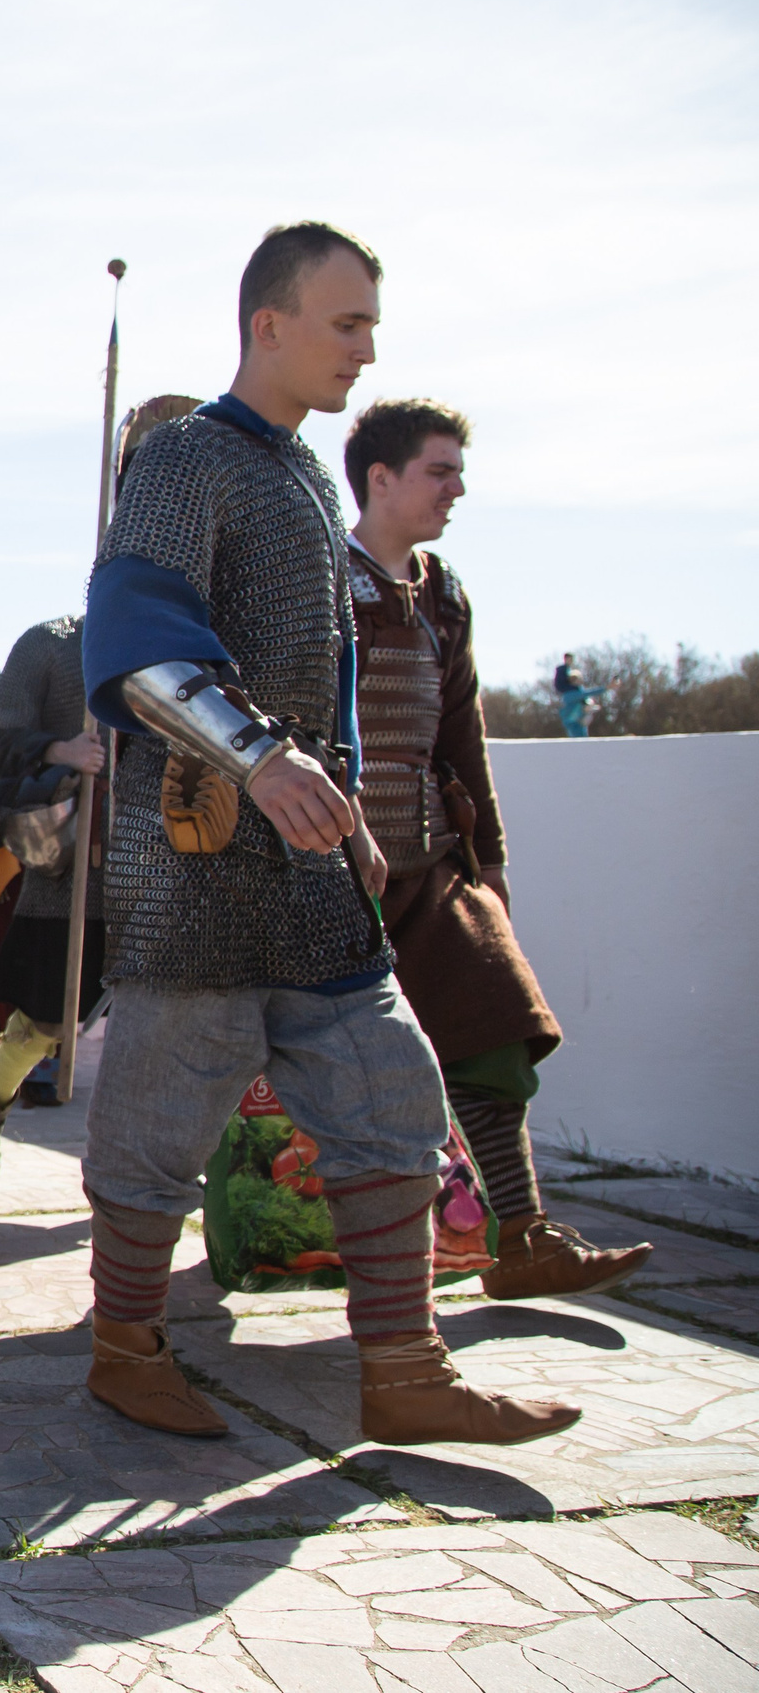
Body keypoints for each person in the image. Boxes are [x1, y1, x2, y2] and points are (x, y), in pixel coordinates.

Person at [78, 222, 577, 1448]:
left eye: (370, 326)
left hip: (311, 866)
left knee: (393, 1095)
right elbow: (134, 641)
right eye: (346, 323)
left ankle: (405, 1371)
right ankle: (124, 1347)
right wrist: (257, 759)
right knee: (157, 1127)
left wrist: (342, 806)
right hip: (198, 864)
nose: (365, 349)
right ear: (270, 324)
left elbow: (327, 677)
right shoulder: (184, 458)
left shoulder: (304, 475)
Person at [343, 398, 649, 1298]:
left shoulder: (444, 594)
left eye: (458, 472)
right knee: (300, 1072)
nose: (457, 489)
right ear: (382, 477)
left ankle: (521, 1241)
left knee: (495, 1025)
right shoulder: (315, 581)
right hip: (325, 868)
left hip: (433, 864)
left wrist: (494, 864)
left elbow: (461, 738)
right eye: (440, 471)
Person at [0, 616, 107, 1164]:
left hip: (164, 862)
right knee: (44, 1018)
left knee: (172, 1016)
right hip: (78, 865)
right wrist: (62, 751)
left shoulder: (176, 647)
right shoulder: (54, 644)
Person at [551, 654, 611, 738]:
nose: (579, 681)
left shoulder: (577, 693)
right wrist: (607, 687)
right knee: (579, 741)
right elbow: (589, 693)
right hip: (573, 722)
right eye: (576, 679)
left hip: (578, 721)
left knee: (582, 740)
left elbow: (585, 702)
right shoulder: (571, 694)